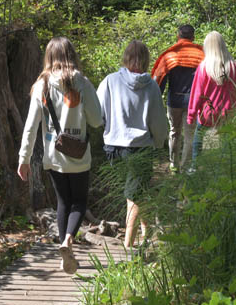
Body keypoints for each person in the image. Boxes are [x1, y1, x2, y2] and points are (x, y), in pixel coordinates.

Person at [17, 37, 103, 274]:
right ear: (72, 55)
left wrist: (23, 159)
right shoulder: (83, 83)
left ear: (49, 57)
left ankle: (64, 247)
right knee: (79, 202)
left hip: (53, 156)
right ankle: (67, 241)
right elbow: (96, 120)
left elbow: (31, 125)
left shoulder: (41, 85)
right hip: (79, 156)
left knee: (63, 202)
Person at [97, 40, 169, 251]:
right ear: (146, 60)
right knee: (135, 196)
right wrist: (159, 144)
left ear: (125, 57)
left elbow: (98, 113)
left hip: (113, 147)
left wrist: (109, 129)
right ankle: (128, 246)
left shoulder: (110, 81)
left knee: (136, 193)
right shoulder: (152, 86)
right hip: (140, 148)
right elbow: (158, 121)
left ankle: (146, 234)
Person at [186, 31, 236, 172]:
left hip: (207, 114)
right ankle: (221, 170)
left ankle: (195, 168)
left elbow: (196, 94)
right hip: (227, 114)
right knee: (224, 144)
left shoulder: (204, 67)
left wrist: (191, 115)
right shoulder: (234, 67)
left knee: (199, 141)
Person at [151, 24, 204, 173]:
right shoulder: (201, 54)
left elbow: (159, 78)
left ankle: (174, 164)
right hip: (194, 101)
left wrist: (156, 98)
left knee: (174, 131)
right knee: (189, 134)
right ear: (193, 37)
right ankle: (186, 166)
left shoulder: (170, 54)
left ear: (178, 36)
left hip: (174, 100)